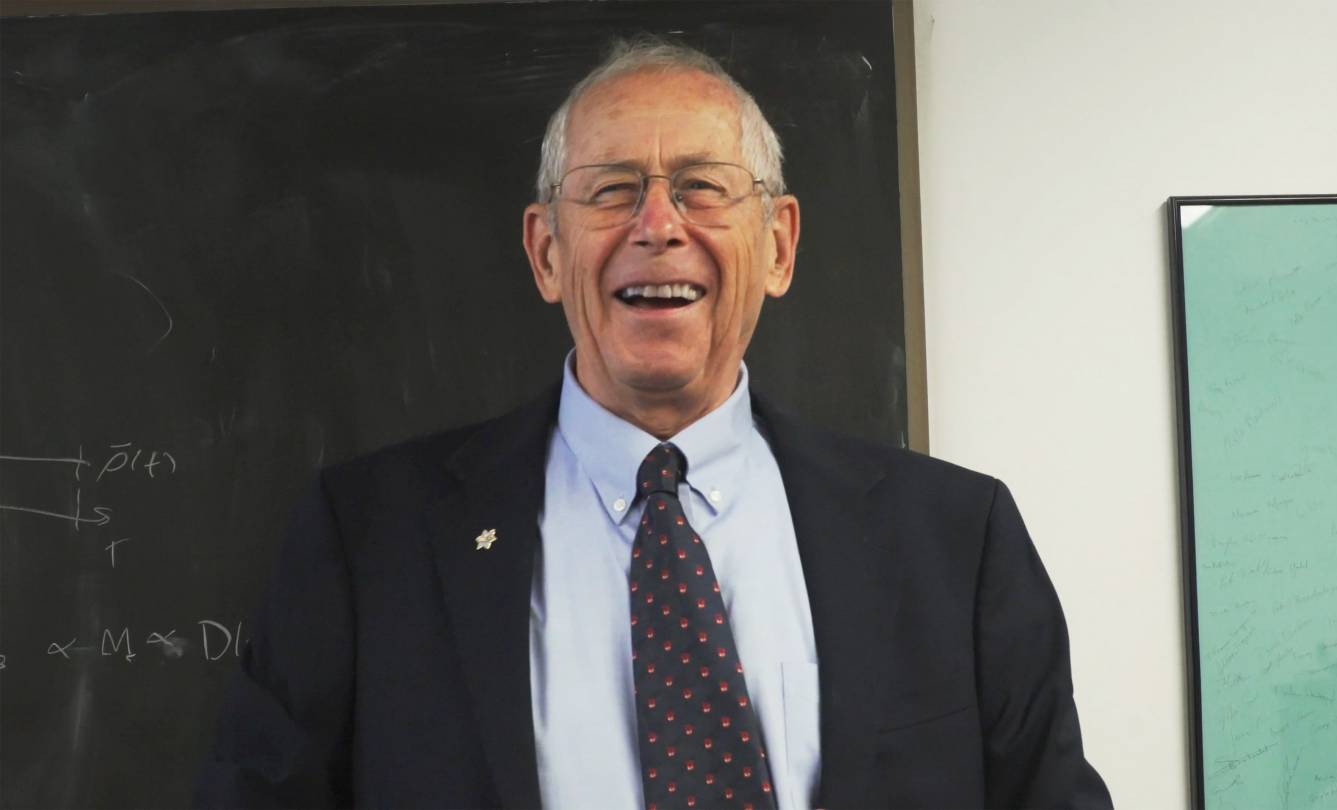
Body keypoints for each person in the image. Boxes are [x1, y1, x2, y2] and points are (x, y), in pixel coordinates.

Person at [198, 38, 1112, 810]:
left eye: (704, 187)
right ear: (547, 252)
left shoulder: (956, 536)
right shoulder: (368, 539)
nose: (658, 224)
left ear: (781, 245)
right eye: (611, 190)